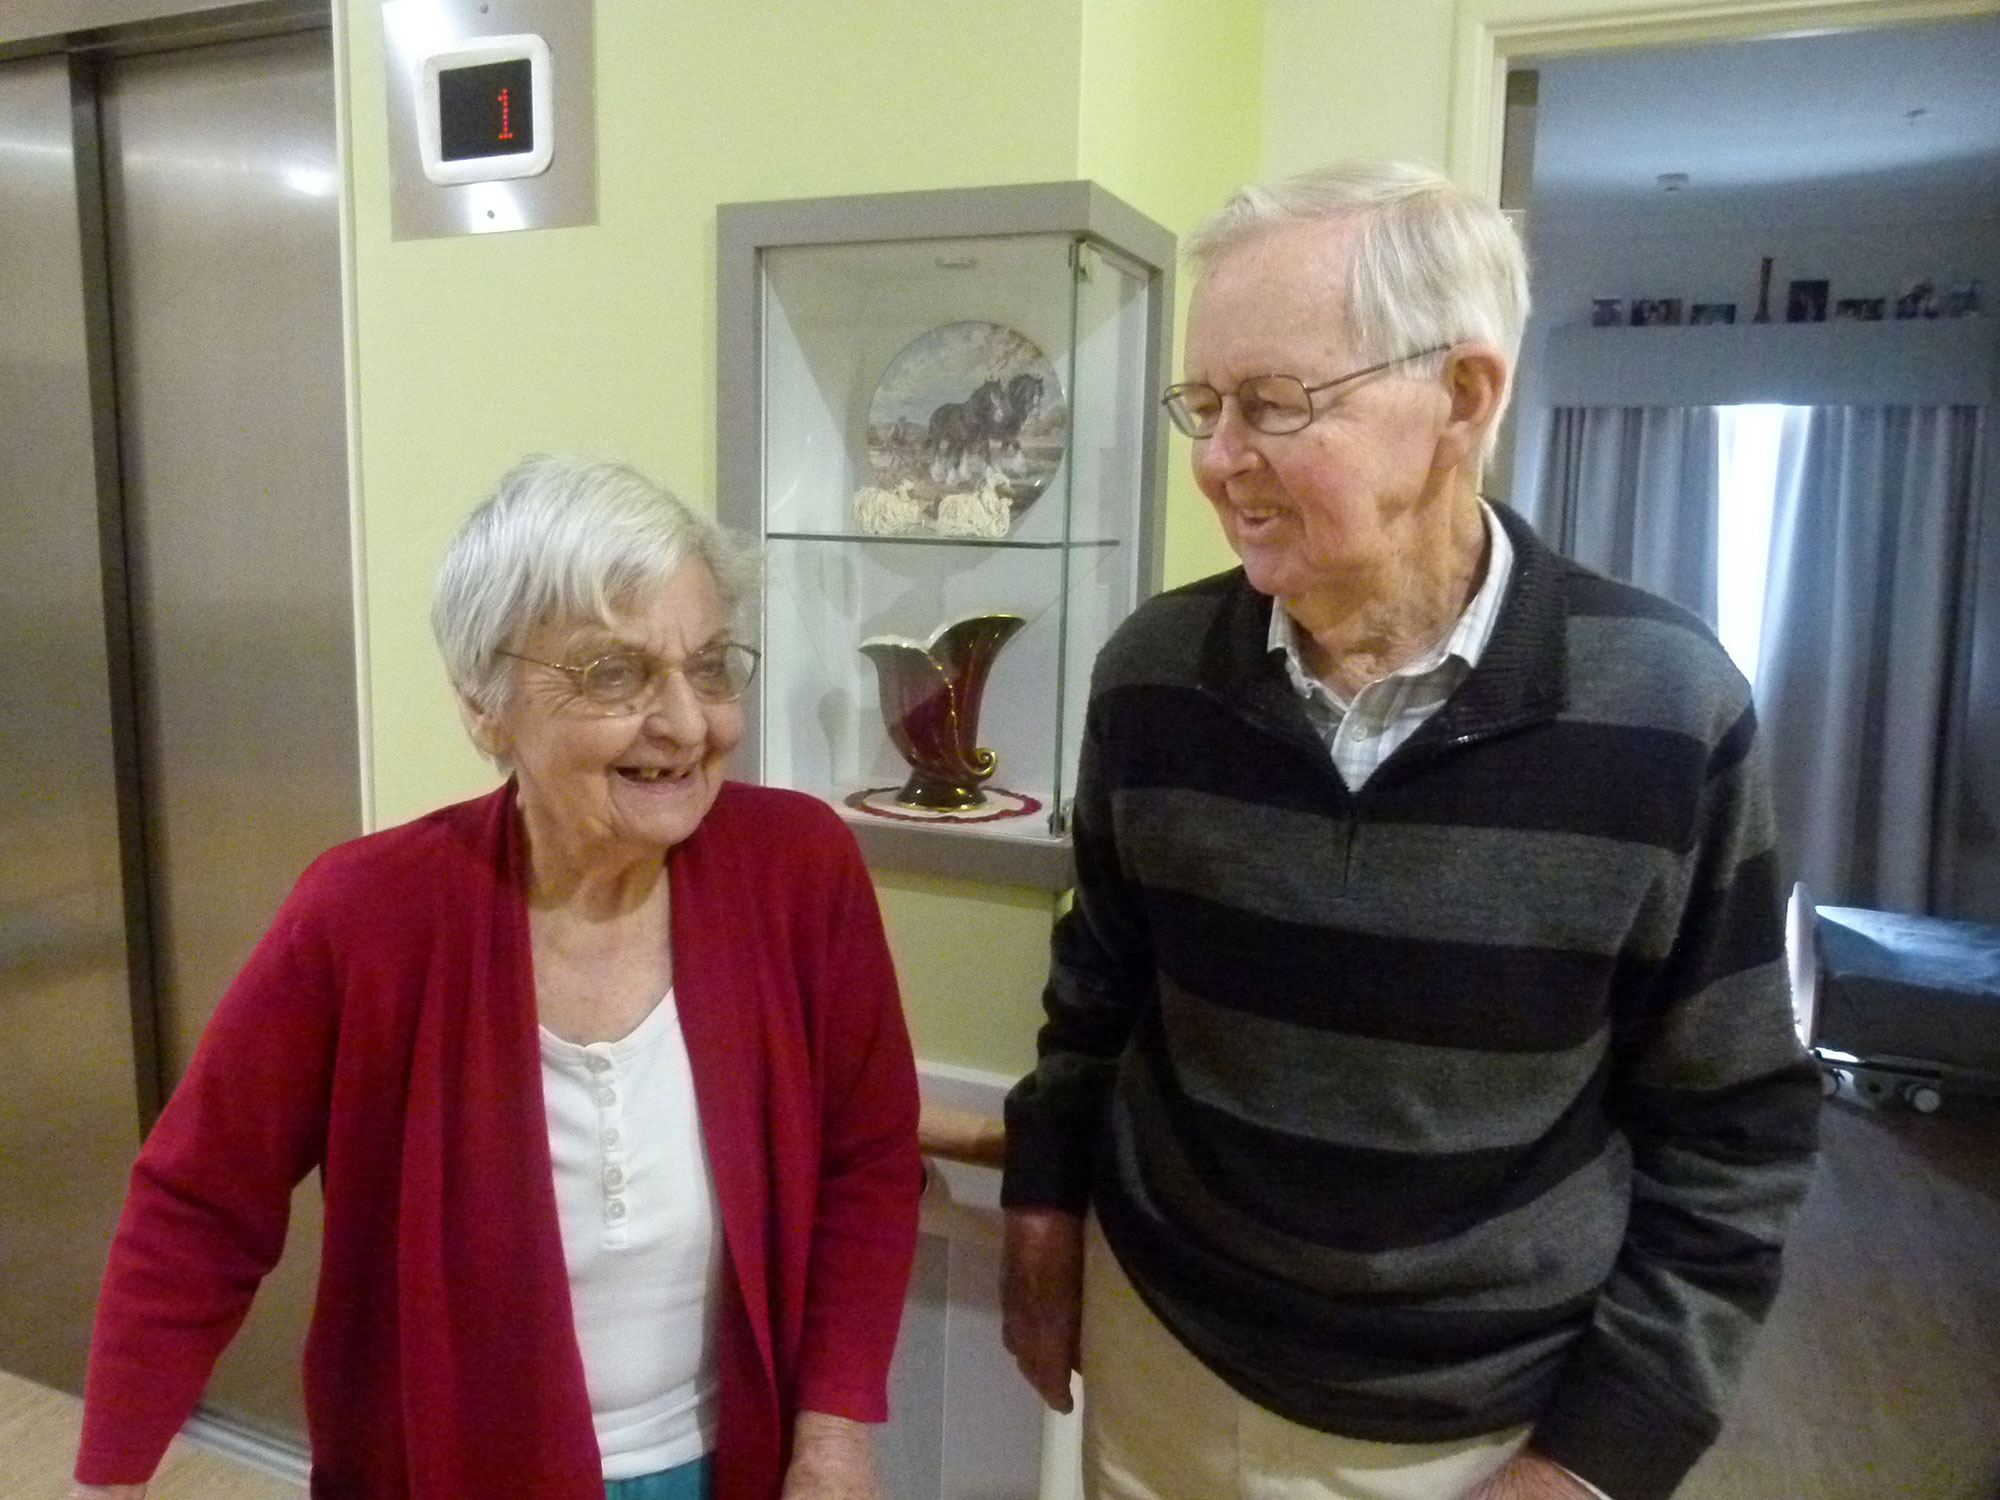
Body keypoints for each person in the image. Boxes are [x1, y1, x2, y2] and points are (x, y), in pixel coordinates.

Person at [999, 162, 1821, 1500]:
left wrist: (1600, 1456)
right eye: (1204, 403)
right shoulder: (1151, 673)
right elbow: (1096, 989)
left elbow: (1735, 1126)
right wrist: (1041, 1216)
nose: (1216, 460)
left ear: (1463, 396)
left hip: (1474, 1431)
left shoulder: (1668, 707)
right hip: (1159, 1362)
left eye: (1273, 402)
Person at [71, 455, 922, 1500]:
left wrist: (834, 1432)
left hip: (733, 1463)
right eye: (613, 674)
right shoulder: (367, 915)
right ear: (485, 704)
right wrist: (109, 1478)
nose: (687, 723)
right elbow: (200, 1206)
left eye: (707, 666)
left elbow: (866, 1159)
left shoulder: (796, 867)